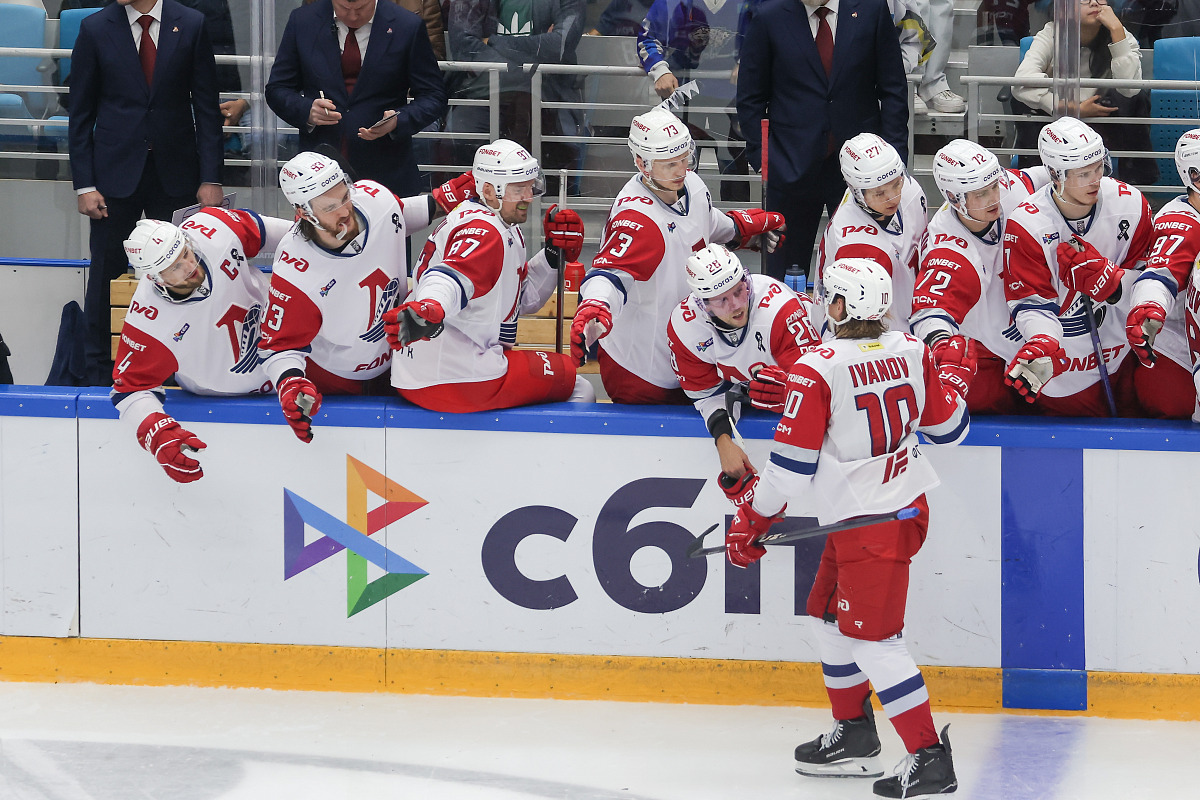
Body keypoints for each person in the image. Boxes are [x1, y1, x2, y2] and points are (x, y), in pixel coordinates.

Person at [724, 258, 966, 799]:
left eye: (826, 295)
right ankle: (855, 732)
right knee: (827, 616)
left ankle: (929, 758)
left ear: (839, 305)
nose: (820, 303)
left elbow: (790, 470)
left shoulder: (818, 366)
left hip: (871, 524)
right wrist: (953, 377)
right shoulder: (913, 349)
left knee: (875, 643)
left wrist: (752, 518)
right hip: (888, 510)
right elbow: (951, 429)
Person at [568, 106, 786, 404]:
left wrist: (739, 231)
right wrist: (595, 305)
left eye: (685, 159)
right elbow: (611, 274)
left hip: (692, 352)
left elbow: (703, 223)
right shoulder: (637, 219)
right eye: (670, 164)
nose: (681, 170)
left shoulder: (691, 184)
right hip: (642, 369)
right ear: (642, 164)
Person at [257, 152, 475, 442]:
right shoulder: (294, 267)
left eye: (345, 196)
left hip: (402, 361)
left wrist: (443, 200)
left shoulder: (375, 199)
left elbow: (398, 216)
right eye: (331, 207)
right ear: (304, 212)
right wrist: (290, 383)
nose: (345, 211)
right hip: (339, 382)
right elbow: (280, 346)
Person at [68, 0, 225, 386]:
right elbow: (80, 113)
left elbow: (207, 108)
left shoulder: (191, 24)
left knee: (179, 272)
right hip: (113, 176)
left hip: (176, 173)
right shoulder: (95, 28)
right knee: (105, 272)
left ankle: (177, 368)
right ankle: (99, 372)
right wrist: (84, 184)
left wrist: (211, 177)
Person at [385, 139, 595, 411]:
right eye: (518, 189)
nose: (528, 197)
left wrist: (551, 256)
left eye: (530, 186)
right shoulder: (483, 230)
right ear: (488, 190)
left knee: (564, 378)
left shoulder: (499, 224)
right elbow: (450, 277)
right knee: (577, 386)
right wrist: (430, 306)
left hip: (439, 369)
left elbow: (523, 300)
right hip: (455, 375)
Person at [111, 210, 292, 482]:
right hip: (221, 403)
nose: (189, 265)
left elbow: (288, 235)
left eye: (185, 252)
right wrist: (157, 433)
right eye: (174, 268)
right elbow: (128, 391)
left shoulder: (212, 227)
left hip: (289, 363)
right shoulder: (148, 321)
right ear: (155, 278)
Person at [736, 0, 909, 282]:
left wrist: (893, 160)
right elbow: (750, 98)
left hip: (863, 171)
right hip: (789, 168)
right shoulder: (769, 16)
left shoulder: (871, 9)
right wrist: (765, 160)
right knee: (784, 276)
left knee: (866, 271)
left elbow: (893, 90)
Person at [1002, 116, 1154, 417]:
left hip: (1129, 351)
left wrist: (1113, 282)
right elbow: (1031, 303)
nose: (1096, 179)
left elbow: (1151, 279)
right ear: (1055, 174)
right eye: (1084, 174)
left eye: (1099, 167)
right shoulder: (1027, 224)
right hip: (1067, 365)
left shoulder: (1132, 205)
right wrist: (1042, 341)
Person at [911, 139, 1051, 414]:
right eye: (981, 194)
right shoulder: (947, 246)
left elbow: (1044, 175)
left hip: (1029, 323)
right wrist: (942, 345)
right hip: (986, 347)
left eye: (994, 187)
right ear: (954, 198)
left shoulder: (1008, 187)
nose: (994, 198)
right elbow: (931, 311)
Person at [666, 243, 822, 485]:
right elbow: (708, 395)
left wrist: (792, 394)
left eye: (740, 291)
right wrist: (723, 440)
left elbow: (821, 391)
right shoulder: (684, 329)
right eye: (721, 300)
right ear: (703, 304)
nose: (737, 304)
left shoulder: (780, 310)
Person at [266, 0, 447, 197]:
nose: (352, 16)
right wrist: (307, 110)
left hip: (386, 172)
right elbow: (277, 88)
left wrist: (399, 120)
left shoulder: (407, 25)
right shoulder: (302, 21)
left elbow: (433, 95)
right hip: (319, 173)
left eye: (361, 8)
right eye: (344, 8)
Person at [445, 0, 586, 195]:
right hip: (480, 95)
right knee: (460, 144)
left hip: (548, 96)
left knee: (554, 162)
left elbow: (559, 46)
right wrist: (533, 57)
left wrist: (492, 41)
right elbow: (464, 47)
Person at [1012, 1, 1158, 184]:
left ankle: (1135, 184)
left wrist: (1116, 31)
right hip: (1059, 118)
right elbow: (1021, 81)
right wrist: (1070, 108)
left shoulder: (1120, 34)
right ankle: (1037, 181)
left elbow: (1130, 89)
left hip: (1105, 117)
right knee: (1023, 101)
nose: (1094, 2)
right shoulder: (1052, 32)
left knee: (1137, 99)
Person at [636, 0, 760, 201]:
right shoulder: (673, 3)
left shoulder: (748, 3)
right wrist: (660, 70)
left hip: (732, 99)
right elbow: (648, 37)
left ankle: (736, 218)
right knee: (678, 162)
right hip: (684, 97)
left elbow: (767, 32)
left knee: (734, 165)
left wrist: (746, 60)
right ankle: (677, 215)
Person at [816, 133, 927, 336]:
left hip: (910, 318)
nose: (893, 197)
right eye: (879, 193)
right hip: (868, 333)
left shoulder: (911, 190)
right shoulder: (854, 244)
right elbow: (855, 328)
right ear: (857, 192)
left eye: (896, 184)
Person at [1122, 129, 1200, 420]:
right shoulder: (1181, 224)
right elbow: (1160, 275)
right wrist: (1149, 307)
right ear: (1194, 177)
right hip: (1175, 358)